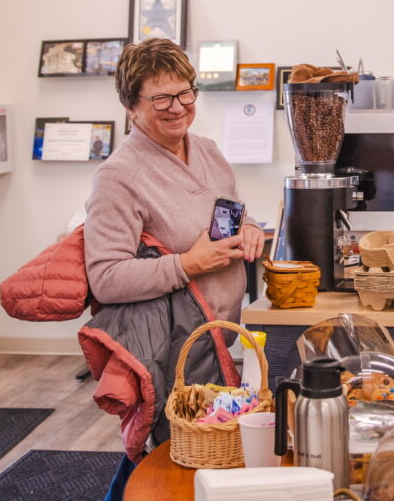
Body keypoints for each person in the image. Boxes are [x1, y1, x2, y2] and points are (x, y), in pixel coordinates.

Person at [84, 38, 264, 324]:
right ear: (130, 105)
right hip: (167, 348)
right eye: (161, 99)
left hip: (219, 338)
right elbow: (106, 279)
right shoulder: (118, 177)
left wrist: (250, 226)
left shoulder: (208, 151)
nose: (178, 108)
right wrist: (188, 264)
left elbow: (226, 215)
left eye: (185, 94)